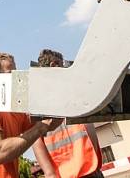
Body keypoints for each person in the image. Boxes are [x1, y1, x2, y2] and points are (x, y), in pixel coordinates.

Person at [0, 52, 63, 178]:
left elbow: (48, 124)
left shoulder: (15, 108)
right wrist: (40, 128)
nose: (17, 78)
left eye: (16, 72)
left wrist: (56, 85)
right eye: (10, 74)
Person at [37, 49, 104, 178]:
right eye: (63, 65)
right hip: (71, 171)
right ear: (54, 65)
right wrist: (50, 173)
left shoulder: (71, 93)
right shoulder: (40, 101)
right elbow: (36, 141)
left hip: (90, 167)